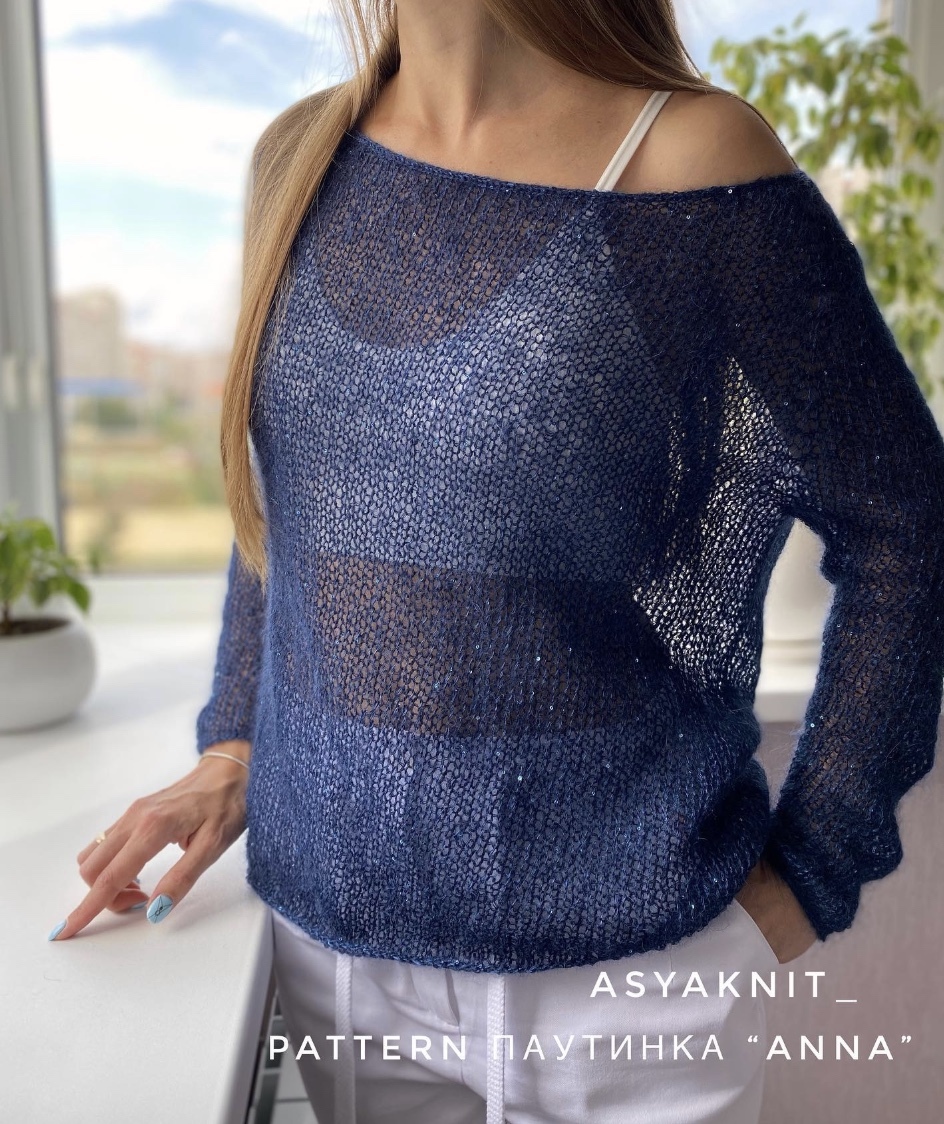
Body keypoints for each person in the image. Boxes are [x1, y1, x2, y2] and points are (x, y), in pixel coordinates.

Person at [50, 2, 944, 1122]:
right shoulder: (300, 154)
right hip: (334, 964)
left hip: (628, 997)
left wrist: (808, 872)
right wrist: (234, 739)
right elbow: (285, 508)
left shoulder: (693, 162)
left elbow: (907, 521)